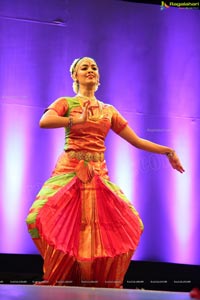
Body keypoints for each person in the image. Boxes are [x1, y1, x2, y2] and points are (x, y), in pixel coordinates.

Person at [26, 57, 185, 288]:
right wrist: (73, 120)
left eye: (94, 68)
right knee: (36, 218)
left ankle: (87, 280)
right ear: (75, 76)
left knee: (117, 227)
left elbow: (136, 140)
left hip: (98, 174)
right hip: (69, 170)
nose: (90, 70)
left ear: (98, 77)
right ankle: (60, 274)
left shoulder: (109, 111)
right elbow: (45, 121)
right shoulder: (66, 102)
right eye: (84, 67)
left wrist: (169, 151)